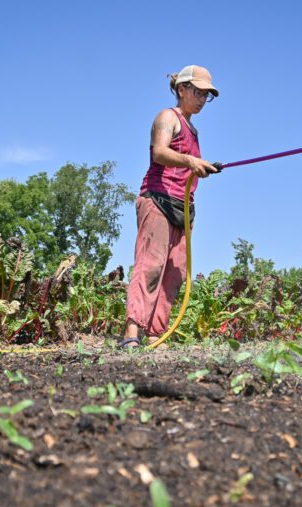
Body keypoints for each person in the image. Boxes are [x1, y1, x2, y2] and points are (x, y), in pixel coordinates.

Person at [119, 65, 220, 349]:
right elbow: (160, 152)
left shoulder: (194, 130)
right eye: (198, 92)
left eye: (206, 95)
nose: (202, 99)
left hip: (183, 206)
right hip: (158, 200)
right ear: (182, 89)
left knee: (176, 273)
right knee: (150, 266)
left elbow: (187, 162)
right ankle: (131, 333)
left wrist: (201, 167)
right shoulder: (168, 117)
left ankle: (156, 334)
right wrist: (190, 161)